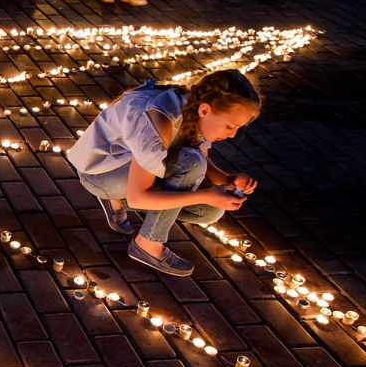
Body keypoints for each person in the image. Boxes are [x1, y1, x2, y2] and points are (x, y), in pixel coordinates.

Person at [67, 70, 262, 277]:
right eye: (230, 126)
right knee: (190, 165)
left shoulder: (196, 109)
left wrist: (225, 178)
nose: (232, 134)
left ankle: (117, 200)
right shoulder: (157, 122)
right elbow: (140, 196)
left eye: (238, 128)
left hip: (132, 171)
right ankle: (147, 244)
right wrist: (206, 194)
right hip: (100, 173)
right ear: (205, 110)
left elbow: (201, 157)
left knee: (209, 211)